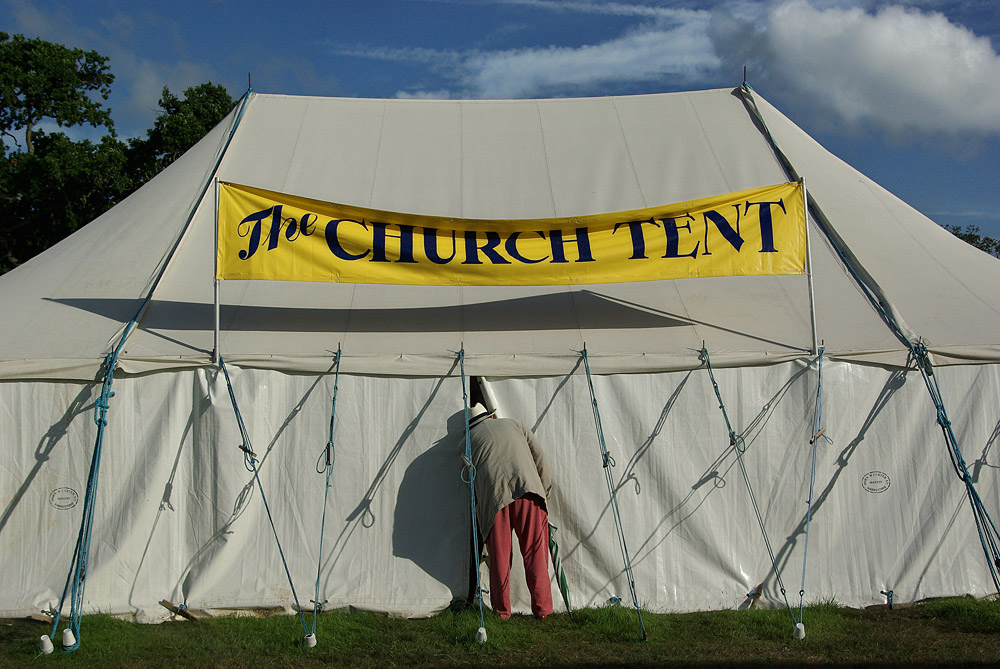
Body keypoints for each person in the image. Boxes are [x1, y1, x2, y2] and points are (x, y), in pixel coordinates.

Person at [466, 402, 553, 620]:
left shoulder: (466, 443)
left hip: (494, 500)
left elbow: (470, 483)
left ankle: (502, 612)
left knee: (500, 558)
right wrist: (545, 493)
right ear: (491, 417)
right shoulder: (515, 425)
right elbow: (540, 459)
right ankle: (542, 611)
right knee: (535, 554)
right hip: (529, 491)